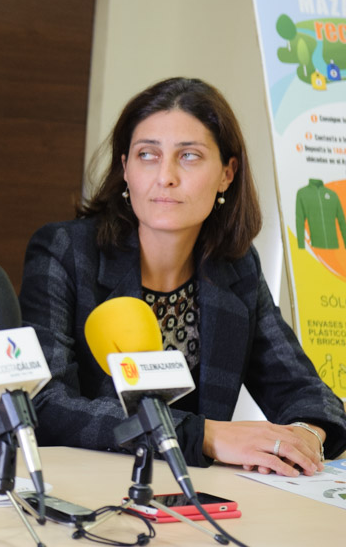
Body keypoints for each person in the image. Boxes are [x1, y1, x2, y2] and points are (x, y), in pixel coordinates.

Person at [19, 77, 346, 477]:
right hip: (85, 485)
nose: (166, 176)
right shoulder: (66, 251)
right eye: (147, 155)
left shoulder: (236, 267)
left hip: (195, 493)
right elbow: (45, 404)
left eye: (189, 156)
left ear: (227, 173)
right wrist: (204, 435)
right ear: (125, 168)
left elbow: (305, 392)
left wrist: (305, 436)